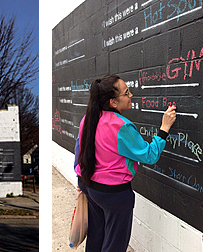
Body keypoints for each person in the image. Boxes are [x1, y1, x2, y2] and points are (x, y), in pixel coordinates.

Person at [73, 74, 176, 252]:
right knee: (115, 243)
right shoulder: (121, 126)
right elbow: (149, 156)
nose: (131, 95)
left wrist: (79, 178)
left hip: (88, 185)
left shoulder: (88, 118)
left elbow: (79, 149)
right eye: (127, 93)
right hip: (113, 194)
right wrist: (164, 128)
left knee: (96, 236)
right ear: (113, 102)